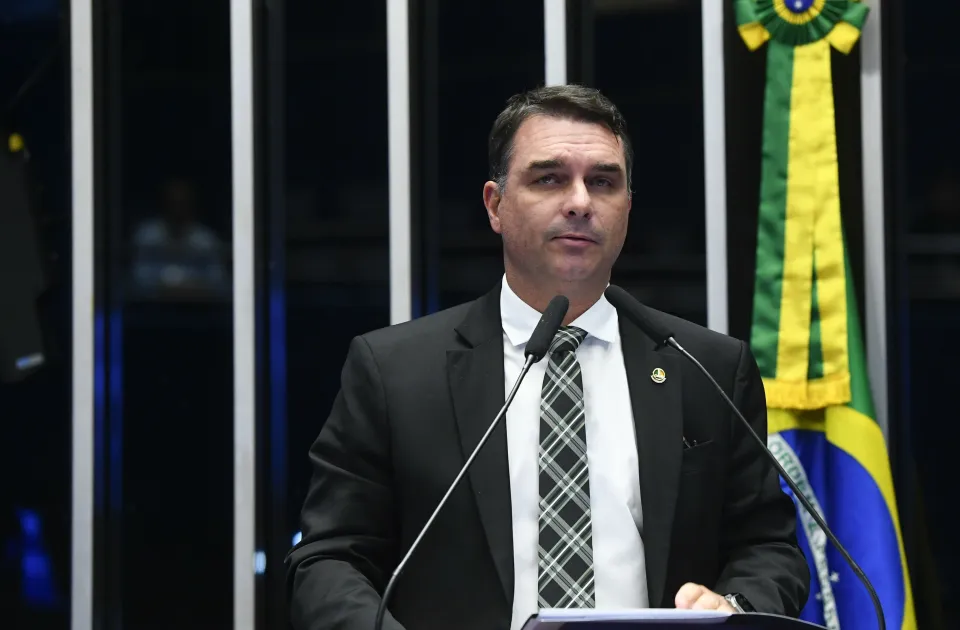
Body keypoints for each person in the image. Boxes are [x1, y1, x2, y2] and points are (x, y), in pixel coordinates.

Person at [285, 85, 809, 630]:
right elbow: (328, 559)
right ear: (495, 205)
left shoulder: (706, 367)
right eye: (550, 179)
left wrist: (735, 607)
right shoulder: (395, 372)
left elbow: (768, 548)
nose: (580, 202)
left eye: (603, 182)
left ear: (627, 208)